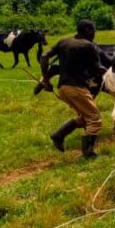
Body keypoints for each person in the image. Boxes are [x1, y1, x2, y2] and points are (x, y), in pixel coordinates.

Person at [39, 20, 105, 159]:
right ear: (87, 30)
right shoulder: (88, 46)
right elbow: (98, 68)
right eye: (93, 31)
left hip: (63, 88)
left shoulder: (64, 42)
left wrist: (46, 80)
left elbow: (44, 56)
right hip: (77, 88)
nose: (94, 34)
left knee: (85, 117)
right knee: (95, 119)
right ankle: (88, 153)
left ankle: (59, 135)